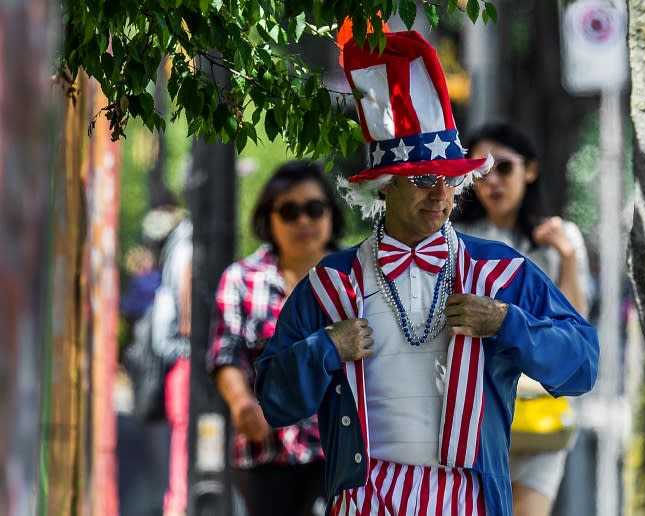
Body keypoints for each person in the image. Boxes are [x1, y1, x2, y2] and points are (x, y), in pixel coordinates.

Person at [255, 30, 599, 516]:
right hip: (364, 500)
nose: (440, 193)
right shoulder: (332, 283)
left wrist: (507, 322)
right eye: (421, 179)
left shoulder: (500, 273)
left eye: (451, 179)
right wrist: (325, 348)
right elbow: (274, 401)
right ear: (383, 186)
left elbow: (582, 365)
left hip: (469, 501)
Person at [453, 121, 593, 516]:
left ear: (530, 170)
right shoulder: (457, 239)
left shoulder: (560, 236)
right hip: (475, 415)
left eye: (504, 168)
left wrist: (565, 255)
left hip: (540, 417)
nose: (492, 180)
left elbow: (573, 328)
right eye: (481, 171)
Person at [207, 160, 346, 516]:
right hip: (268, 451)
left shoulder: (356, 279)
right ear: (269, 217)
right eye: (289, 211)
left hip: (343, 448)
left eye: (314, 209)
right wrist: (241, 403)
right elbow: (227, 354)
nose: (303, 221)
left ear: (331, 213)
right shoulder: (242, 278)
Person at [146, 205, 193, 516]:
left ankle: (175, 505)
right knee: (187, 446)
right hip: (187, 360)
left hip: (177, 362)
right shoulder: (189, 248)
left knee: (180, 445)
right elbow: (188, 319)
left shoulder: (175, 248)